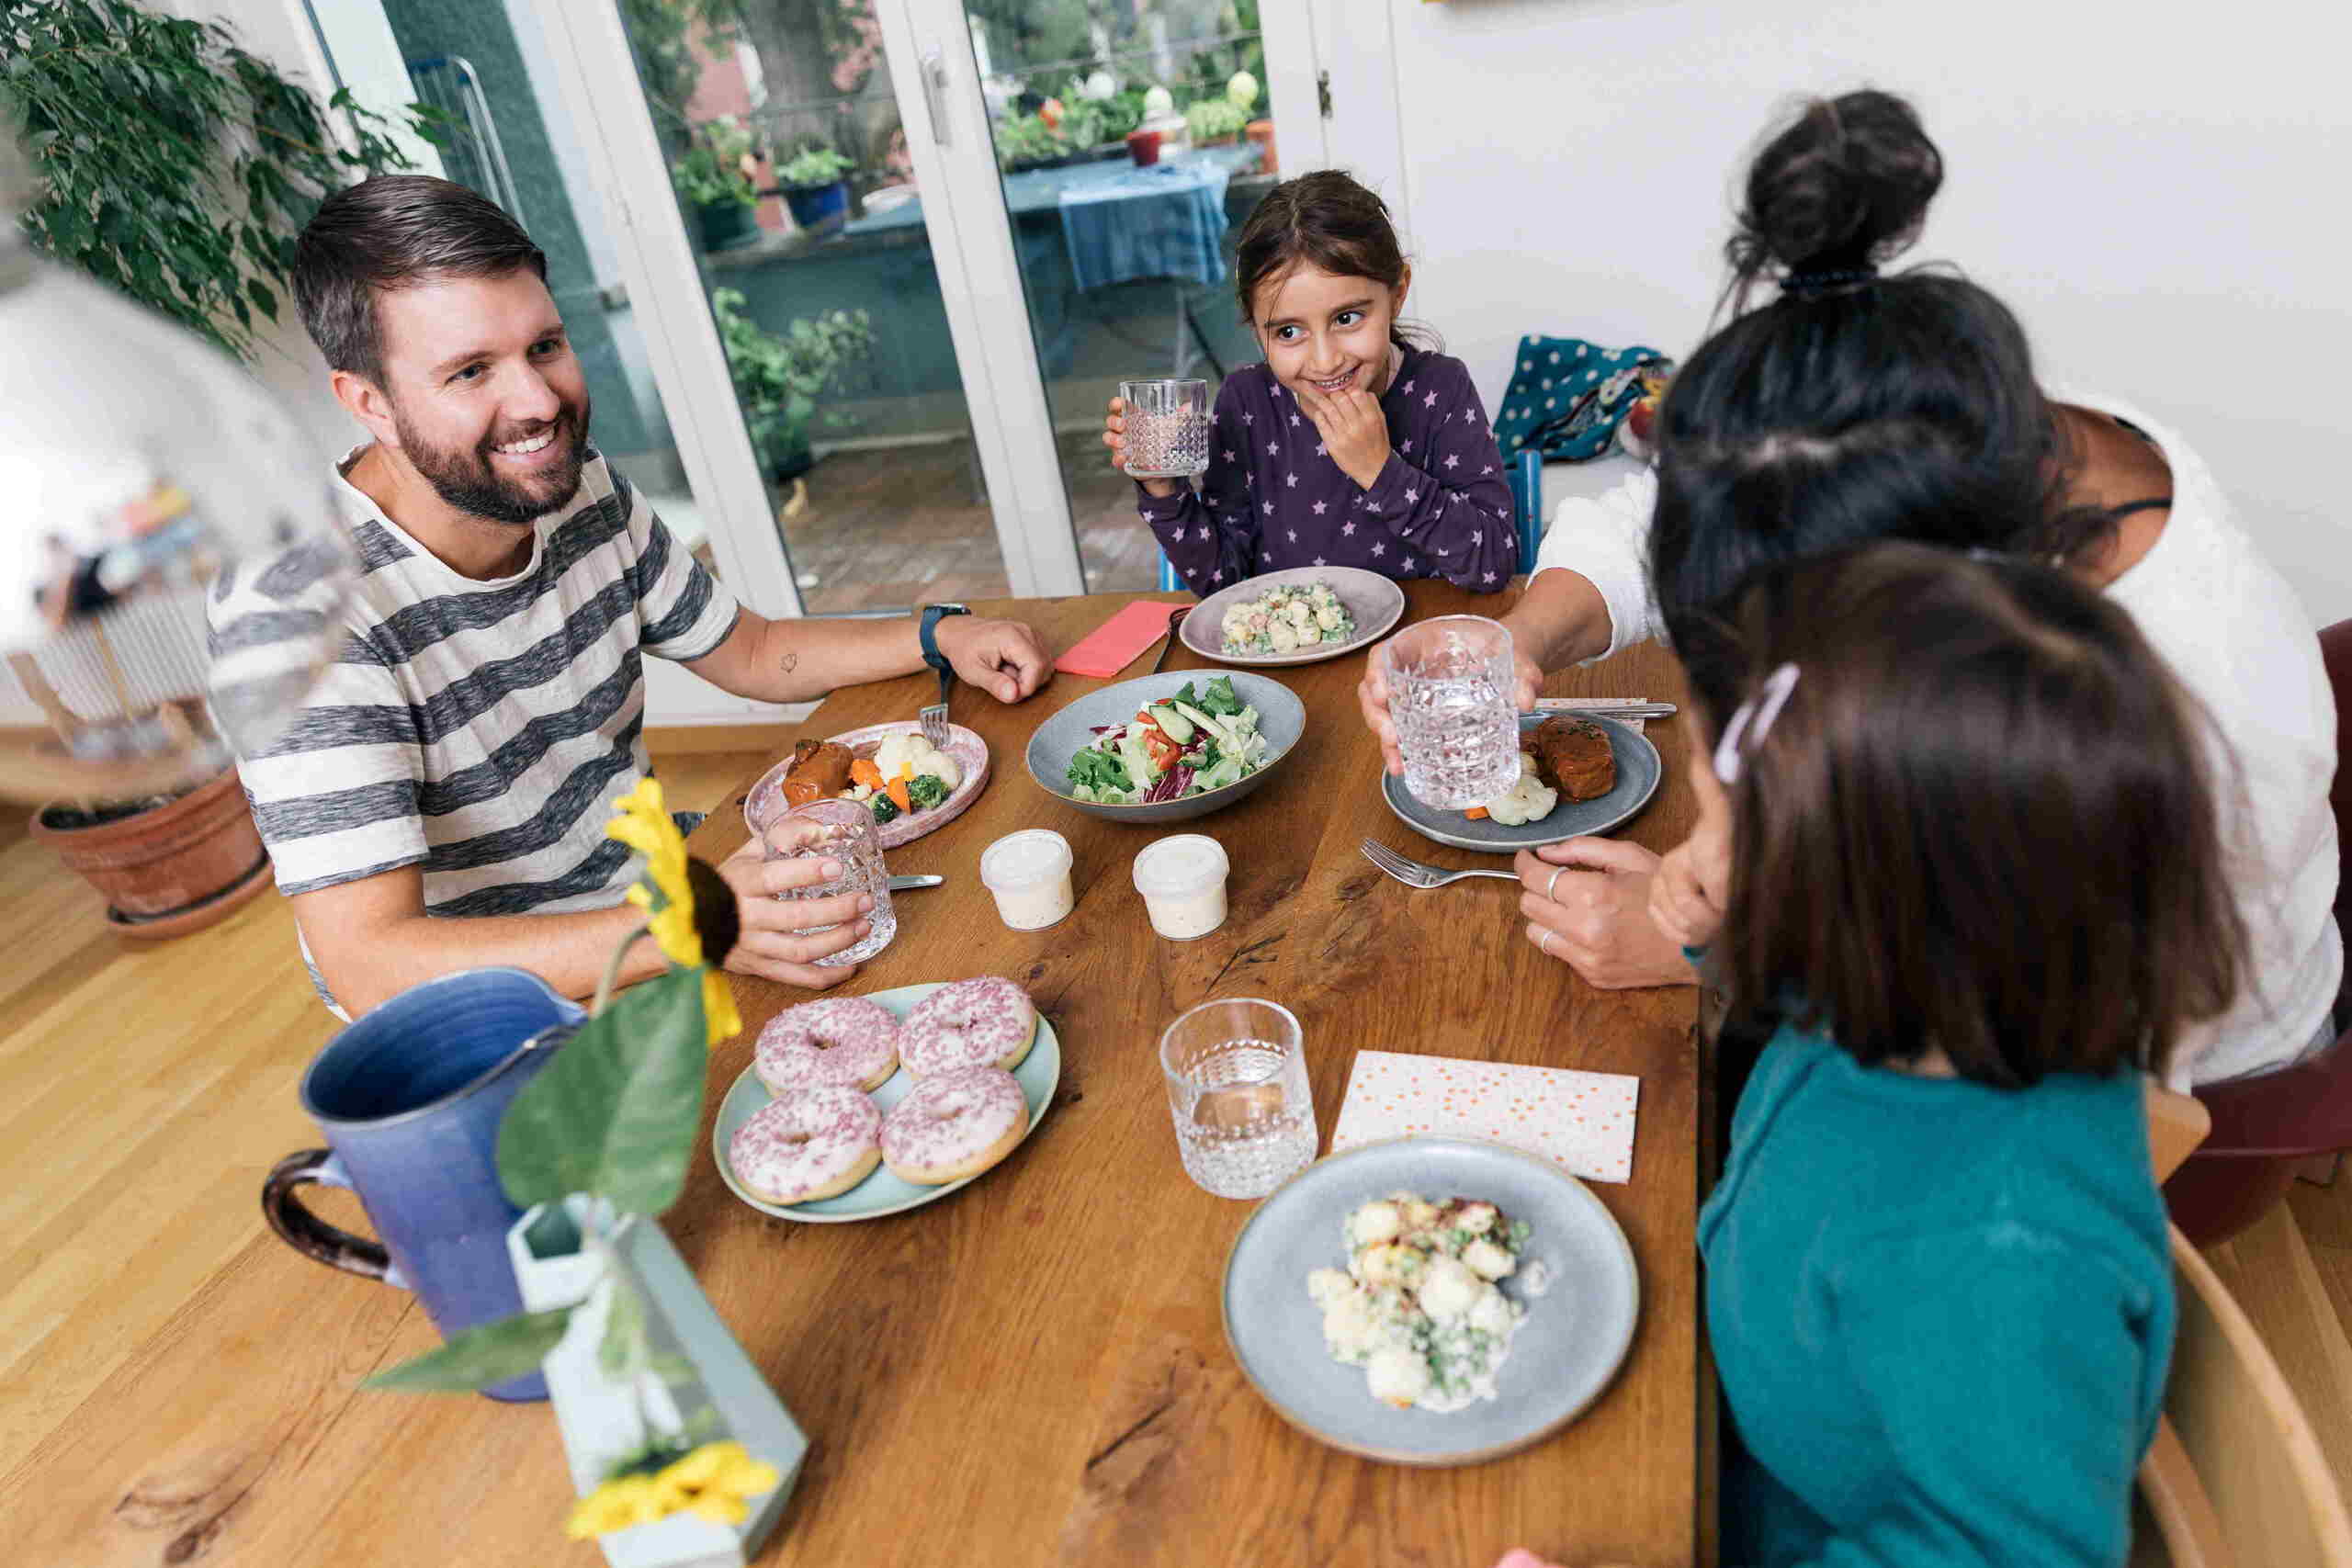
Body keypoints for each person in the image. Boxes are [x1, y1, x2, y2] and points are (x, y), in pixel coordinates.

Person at [1356, 91, 2338, 1085]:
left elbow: (2079, 1023)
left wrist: (1731, 958)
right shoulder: (1951, 427)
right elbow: (1667, 518)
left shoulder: (2211, 702)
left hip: (2151, 1076)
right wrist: (1515, 641)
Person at [209, 175, 1050, 1018]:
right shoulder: (294, 613)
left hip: (649, 904)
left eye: (544, 347)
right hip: (504, 1027)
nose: (538, 404)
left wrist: (937, 635)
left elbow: (750, 651)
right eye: (470, 371)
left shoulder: (569, 486)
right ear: (369, 404)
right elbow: (368, 964)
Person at [1667, 542, 2239, 1568]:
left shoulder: (2001, 1256)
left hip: (1770, 1526)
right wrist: (1729, 936)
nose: (1701, 849)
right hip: (1735, 1396)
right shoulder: (1929, 996)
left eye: (1727, 829)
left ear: (1869, 912)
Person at [1102, 169, 1516, 593]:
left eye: (1347, 318)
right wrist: (1163, 488)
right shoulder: (1247, 403)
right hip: (1291, 656)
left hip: (1415, 649)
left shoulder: (1440, 389)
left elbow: (1494, 563)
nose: (1325, 360)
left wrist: (1380, 471)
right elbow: (1222, 580)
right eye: (1287, 332)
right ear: (1255, 329)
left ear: (1397, 293)